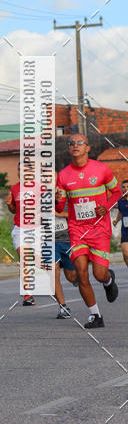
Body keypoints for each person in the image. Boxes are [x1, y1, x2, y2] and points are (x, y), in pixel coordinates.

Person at [56, 134, 121, 329]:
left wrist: (106, 207)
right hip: (77, 230)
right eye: (71, 143)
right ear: (69, 149)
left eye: (79, 143)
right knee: (81, 274)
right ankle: (95, 315)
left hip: (99, 229)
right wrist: (57, 198)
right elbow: (59, 207)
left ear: (88, 148)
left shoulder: (102, 169)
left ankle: (108, 280)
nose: (75, 145)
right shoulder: (63, 175)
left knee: (99, 274)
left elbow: (117, 192)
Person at [6, 163, 37, 306]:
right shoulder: (14, 188)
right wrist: (9, 204)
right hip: (20, 229)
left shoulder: (40, 188)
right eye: (19, 169)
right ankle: (28, 294)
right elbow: (13, 210)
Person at [53, 204, 77, 319]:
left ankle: (80, 277)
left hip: (67, 240)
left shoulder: (65, 199)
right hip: (47, 242)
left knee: (72, 277)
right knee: (52, 273)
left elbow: (76, 215)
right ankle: (63, 307)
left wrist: (60, 214)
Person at [112, 178, 128, 271]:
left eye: (127, 187)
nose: (126, 189)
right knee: (125, 254)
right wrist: (116, 220)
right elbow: (121, 212)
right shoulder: (121, 200)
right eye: (124, 187)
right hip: (125, 230)